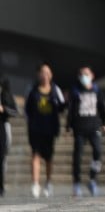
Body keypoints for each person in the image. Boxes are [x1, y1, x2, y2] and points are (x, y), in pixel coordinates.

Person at [67, 66, 105, 197]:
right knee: (78, 156)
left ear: (92, 75)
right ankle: (77, 183)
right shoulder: (75, 90)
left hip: (94, 126)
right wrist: (68, 126)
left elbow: (102, 107)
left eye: (86, 74)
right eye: (81, 74)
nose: (84, 76)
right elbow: (71, 110)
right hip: (79, 127)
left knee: (98, 151)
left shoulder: (96, 90)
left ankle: (92, 178)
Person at [24, 63, 66, 198]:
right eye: (42, 72)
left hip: (50, 129)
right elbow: (27, 109)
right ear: (38, 74)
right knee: (35, 155)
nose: (45, 75)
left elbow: (62, 107)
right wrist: (30, 123)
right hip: (35, 129)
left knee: (48, 158)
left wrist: (63, 103)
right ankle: (35, 184)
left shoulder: (55, 90)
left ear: (51, 75)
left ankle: (48, 183)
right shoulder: (32, 90)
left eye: (47, 73)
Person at [0, 75, 17, 197]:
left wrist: (3, 109)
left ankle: (1, 185)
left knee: (2, 156)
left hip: (3, 126)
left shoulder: (5, 94)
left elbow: (14, 111)